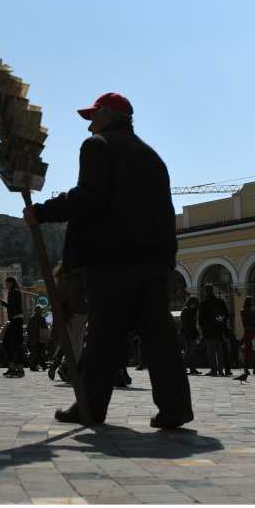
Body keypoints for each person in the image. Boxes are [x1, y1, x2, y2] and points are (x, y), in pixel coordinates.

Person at [23, 92, 193, 428]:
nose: (89, 126)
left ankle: (90, 407)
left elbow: (89, 197)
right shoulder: (153, 156)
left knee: (103, 336)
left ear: (108, 115)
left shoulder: (97, 146)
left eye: (93, 117)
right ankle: (176, 408)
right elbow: (164, 212)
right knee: (159, 337)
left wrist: (42, 212)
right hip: (154, 262)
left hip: (114, 260)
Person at [198, 284, 230, 376]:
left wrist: (202, 329)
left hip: (208, 331)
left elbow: (201, 319)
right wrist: (222, 324)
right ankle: (220, 370)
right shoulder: (220, 301)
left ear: (205, 291)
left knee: (211, 351)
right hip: (219, 330)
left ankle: (214, 369)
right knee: (219, 351)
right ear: (213, 290)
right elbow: (226, 314)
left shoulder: (203, 303)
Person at [0, 277, 25, 378]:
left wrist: (2, 302)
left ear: (11, 283)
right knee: (13, 344)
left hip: (15, 320)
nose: (6, 285)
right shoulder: (15, 292)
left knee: (11, 343)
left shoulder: (14, 292)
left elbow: (12, 307)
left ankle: (16, 368)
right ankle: (15, 367)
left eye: (7, 283)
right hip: (15, 320)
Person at [240, 296, 255, 375]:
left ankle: (246, 368)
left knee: (247, 351)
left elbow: (244, 322)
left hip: (246, 331)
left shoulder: (242, 311)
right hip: (254, 332)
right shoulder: (254, 311)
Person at [180, 296, 201, 375]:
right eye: (194, 303)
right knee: (189, 352)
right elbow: (185, 324)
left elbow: (193, 325)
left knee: (191, 352)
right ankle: (183, 368)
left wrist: (196, 334)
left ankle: (192, 369)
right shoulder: (186, 311)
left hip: (192, 334)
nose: (194, 305)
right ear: (190, 303)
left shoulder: (192, 311)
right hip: (188, 334)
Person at [27, 306, 48, 372]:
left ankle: (35, 366)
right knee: (38, 354)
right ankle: (41, 365)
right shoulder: (41, 319)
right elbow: (45, 329)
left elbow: (28, 329)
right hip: (38, 339)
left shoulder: (33, 319)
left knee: (37, 354)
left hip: (35, 339)